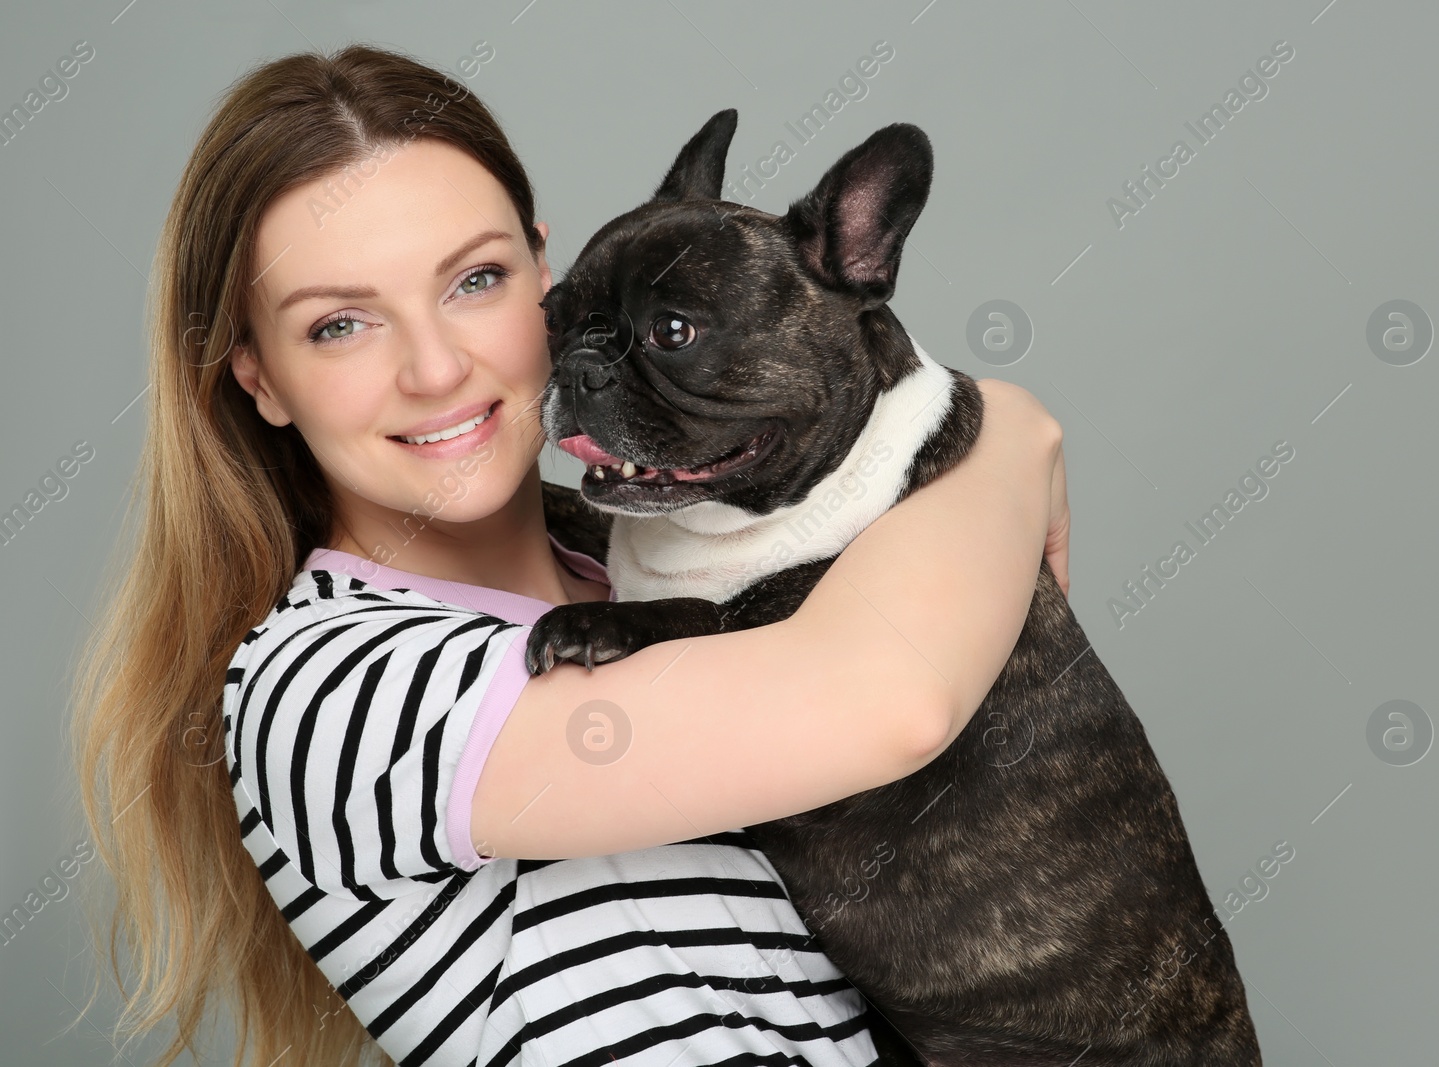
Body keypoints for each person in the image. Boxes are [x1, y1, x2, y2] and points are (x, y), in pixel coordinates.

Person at [70, 44, 1070, 1067]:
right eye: (338, 324)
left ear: (551, 278)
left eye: (475, 279)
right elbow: (896, 700)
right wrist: (1004, 432)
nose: (435, 366)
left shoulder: (666, 555)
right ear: (262, 378)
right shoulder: (321, 688)